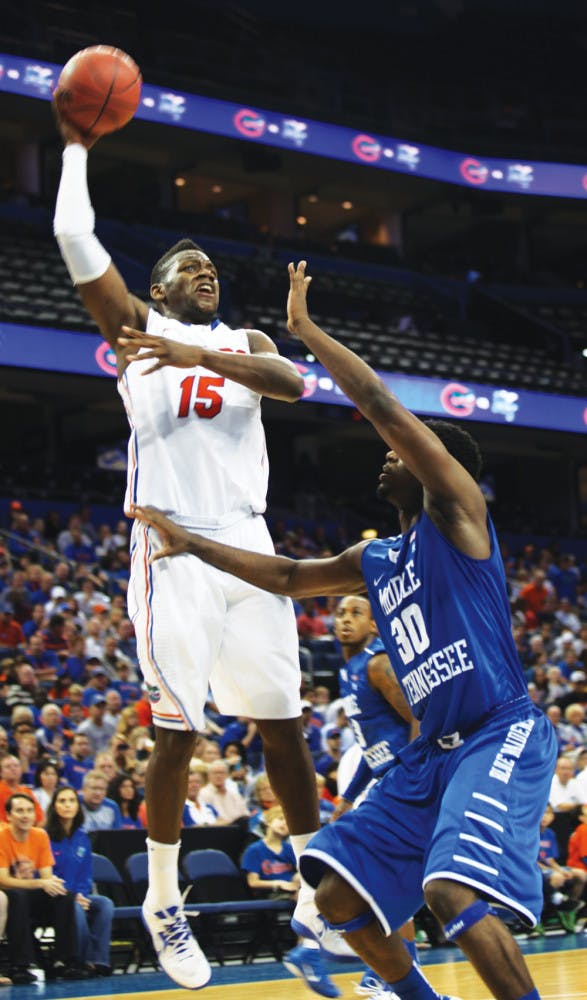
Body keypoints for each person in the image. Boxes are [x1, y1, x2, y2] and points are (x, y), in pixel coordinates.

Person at [130, 260, 558, 1000]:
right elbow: (291, 578)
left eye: (408, 451)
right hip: (432, 756)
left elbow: (375, 400)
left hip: (497, 731)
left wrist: (304, 332)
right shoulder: (377, 558)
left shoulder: (457, 516)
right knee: (334, 899)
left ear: (439, 468)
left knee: (453, 892)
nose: (389, 454)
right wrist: (193, 543)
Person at [53, 112, 334, 992]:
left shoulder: (243, 341)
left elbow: (292, 381)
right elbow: (70, 233)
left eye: (212, 269)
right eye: (188, 270)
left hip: (250, 541)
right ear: (158, 287)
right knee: (176, 734)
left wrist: (187, 346)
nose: (205, 275)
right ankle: (163, 900)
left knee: (284, 728)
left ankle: (315, 886)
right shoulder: (132, 333)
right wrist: (73, 145)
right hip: (172, 547)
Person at [242, 806, 338, 1000]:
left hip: (295, 890)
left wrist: (296, 877)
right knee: (306, 896)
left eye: (287, 821)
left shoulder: (288, 848)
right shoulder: (255, 850)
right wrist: (278, 883)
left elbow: (302, 869)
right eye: (280, 819)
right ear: (267, 821)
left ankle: (307, 946)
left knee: (312, 889)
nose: (285, 824)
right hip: (271, 892)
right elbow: (252, 881)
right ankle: (308, 947)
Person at [0, 793, 83, 983]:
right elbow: (3, 880)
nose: (25, 815)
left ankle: (63, 961)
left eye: (29, 811)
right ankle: (21, 965)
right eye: (19, 811)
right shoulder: (2, 836)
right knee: (17, 896)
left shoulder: (40, 835)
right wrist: (40, 883)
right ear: (8, 816)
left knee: (64, 895)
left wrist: (51, 884)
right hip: (8, 894)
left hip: (28, 893)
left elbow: (47, 877)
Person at [45, 786, 114, 975]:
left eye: (72, 800)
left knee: (105, 904)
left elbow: (86, 874)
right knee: (74, 907)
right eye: (62, 801)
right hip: (55, 897)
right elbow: (45, 875)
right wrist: (72, 897)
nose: (67, 805)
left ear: (78, 806)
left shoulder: (83, 837)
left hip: (79, 895)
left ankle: (100, 960)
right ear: (54, 806)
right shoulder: (45, 836)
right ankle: (82, 960)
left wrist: (81, 895)